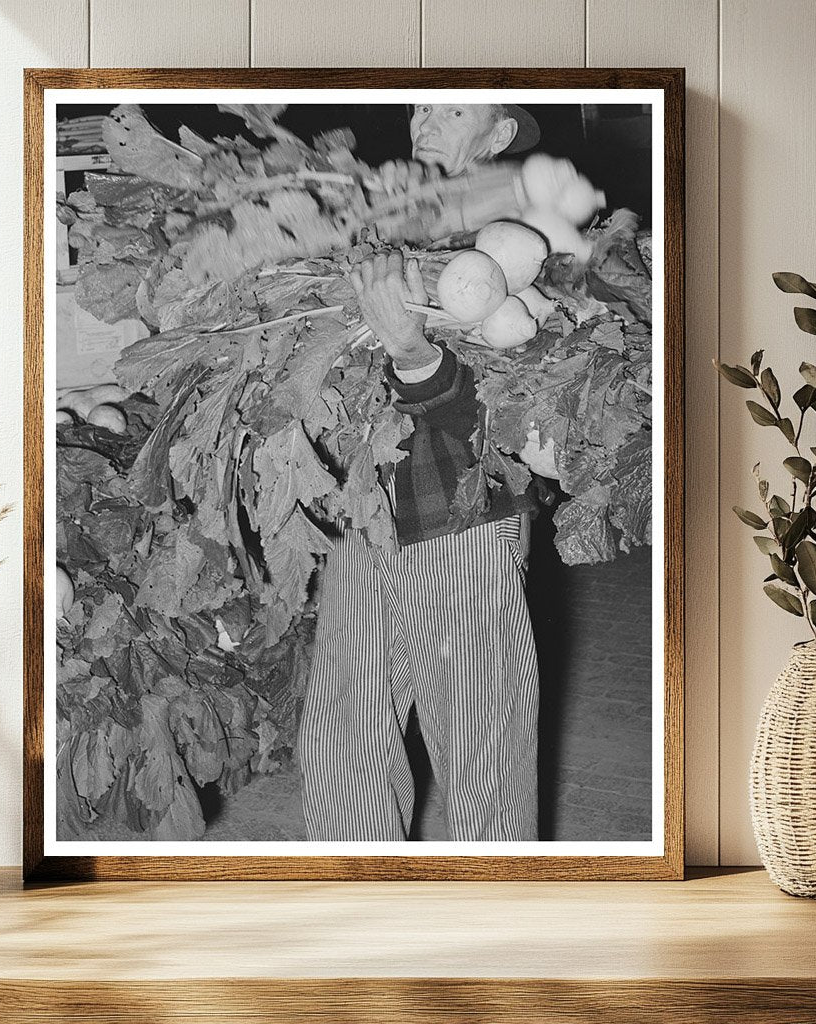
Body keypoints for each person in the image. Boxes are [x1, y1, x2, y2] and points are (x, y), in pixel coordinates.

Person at [298, 104, 549, 842]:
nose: (426, 118)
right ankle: (355, 925)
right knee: (346, 744)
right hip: (365, 514)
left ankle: (498, 941)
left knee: (486, 752)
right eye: (418, 103)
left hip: (463, 524)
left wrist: (414, 353)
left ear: (499, 135)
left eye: (454, 105)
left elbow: (529, 414)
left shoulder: (527, 242)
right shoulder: (373, 216)